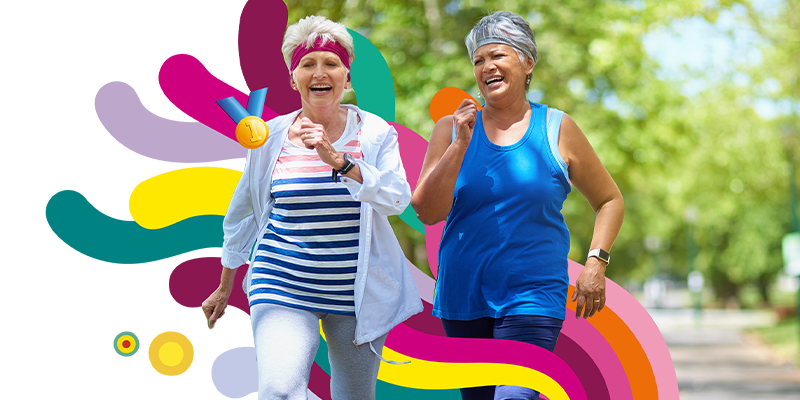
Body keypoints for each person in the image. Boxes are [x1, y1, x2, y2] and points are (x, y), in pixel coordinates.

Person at [201, 15, 422, 400]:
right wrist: (224, 287)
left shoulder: (375, 133)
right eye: (308, 64)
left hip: (354, 292)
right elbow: (242, 214)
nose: (320, 72)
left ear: (347, 77)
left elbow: (397, 198)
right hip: (282, 282)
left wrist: (341, 161)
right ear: (293, 78)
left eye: (331, 63)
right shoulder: (268, 137)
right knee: (280, 391)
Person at [410, 11, 624, 400]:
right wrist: (459, 145)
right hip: (464, 297)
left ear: (527, 63)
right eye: (478, 60)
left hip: (533, 295)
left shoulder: (558, 128)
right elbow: (427, 211)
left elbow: (609, 200)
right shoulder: (451, 128)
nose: (486, 66)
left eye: (498, 56)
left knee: (515, 396)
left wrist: (596, 262)